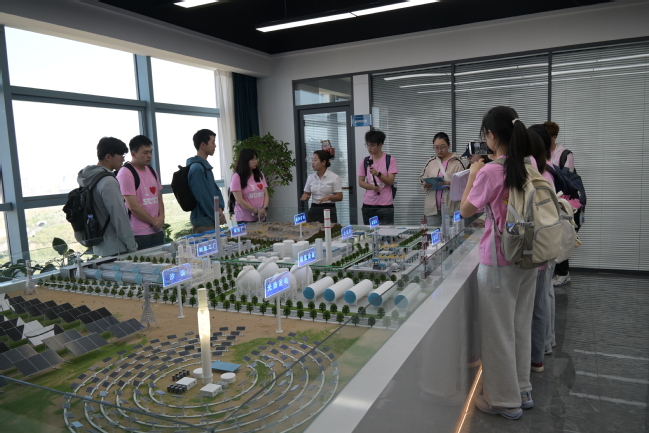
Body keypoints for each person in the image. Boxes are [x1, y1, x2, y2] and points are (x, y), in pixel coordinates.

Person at [460, 106, 536, 420]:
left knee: (498, 332)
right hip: (529, 257)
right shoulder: (529, 164)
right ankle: (522, 389)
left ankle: (503, 400)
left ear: (491, 136)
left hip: (499, 260)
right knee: (519, 326)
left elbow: (466, 210)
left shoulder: (490, 171)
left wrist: (473, 174)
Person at [76, 137, 137, 256]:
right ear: (108, 157)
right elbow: (119, 218)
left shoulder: (89, 178)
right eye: (121, 156)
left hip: (101, 246)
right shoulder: (108, 181)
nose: (123, 159)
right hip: (117, 248)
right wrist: (132, 246)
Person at [527, 128, 555, 374]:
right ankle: (541, 350)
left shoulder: (537, 178)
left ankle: (536, 356)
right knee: (541, 303)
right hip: (544, 249)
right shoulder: (545, 175)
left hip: (536, 251)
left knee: (536, 306)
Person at [116, 135, 164, 250]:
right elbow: (133, 206)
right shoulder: (126, 173)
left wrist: (161, 217)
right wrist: (154, 222)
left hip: (157, 230)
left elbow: (158, 197)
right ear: (133, 154)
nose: (149, 155)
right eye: (145, 152)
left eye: (151, 152)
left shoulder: (152, 171)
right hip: (139, 233)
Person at [544, 121, 575, 287]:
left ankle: (563, 274)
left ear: (554, 137)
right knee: (553, 237)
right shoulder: (541, 153)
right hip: (550, 200)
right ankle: (556, 272)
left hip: (564, 201)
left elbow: (566, 179)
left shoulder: (565, 154)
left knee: (562, 236)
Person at [419, 132, 465, 227]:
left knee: (452, 233)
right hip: (432, 208)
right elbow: (422, 179)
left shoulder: (458, 162)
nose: (439, 150)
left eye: (443, 147)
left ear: (449, 145)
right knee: (433, 233)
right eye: (436, 147)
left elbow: (465, 184)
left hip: (451, 207)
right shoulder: (430, 162)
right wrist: (425, 184)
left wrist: (451, 184)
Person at [186, 129, 226, 234]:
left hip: (211, 219)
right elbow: (203, 197)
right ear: (203, 145)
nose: (215, 146)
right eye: (213, 142)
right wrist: (217, 215)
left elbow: (215, 191)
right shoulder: (196, 168)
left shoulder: (204, 166)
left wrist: (220, 209)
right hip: (204, 222)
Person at [357, 130, 398, 225]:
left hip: (385, 205)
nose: (369, 148)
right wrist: (372, 187)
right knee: (370, 232)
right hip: (368, 204)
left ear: (380, 145)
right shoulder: (364, 161)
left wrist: (377, 173)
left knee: (387, 231)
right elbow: (361, 182)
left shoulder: (390, 159)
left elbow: (390, 182)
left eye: (372, 145)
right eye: (367, 145)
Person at [300, 150, 343, 223]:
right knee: (312, 229)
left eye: (315, 160)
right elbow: (306, 193)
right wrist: (305, 196)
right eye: (312, 160)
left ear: (323, 162)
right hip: (314, 208)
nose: (312, 163)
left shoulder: (334, 177)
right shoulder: (310, 177)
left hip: (328, 208)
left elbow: (339, 196)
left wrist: (329, 197)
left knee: (329, 229)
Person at [230, 148, 269, 223]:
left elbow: (266, 194)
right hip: (245, 218)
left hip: (261, 216)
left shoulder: (260, 175)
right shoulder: (237, 177)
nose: (255, 162)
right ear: (245, 161)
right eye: (252, 159)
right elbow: (239, 200)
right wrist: (256, 212)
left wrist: (264, 208)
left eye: (256, 159)